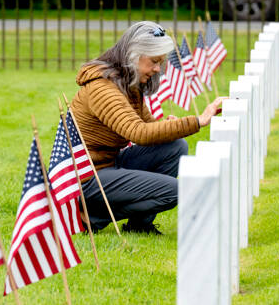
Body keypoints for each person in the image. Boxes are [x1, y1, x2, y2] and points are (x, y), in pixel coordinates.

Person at [71, 21, 225, 235]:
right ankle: (91, 217)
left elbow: (149, 127)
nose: (157, 70)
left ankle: (139, 225)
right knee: (173, 191)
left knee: (176, 146)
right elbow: (138, 133)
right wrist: (197, 121)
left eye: (160, 63)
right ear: (133, 55)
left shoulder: (126, 83)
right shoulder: (102, 87)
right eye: (154, 62)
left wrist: (169, 128)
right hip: (88, 178)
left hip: (110, 164)